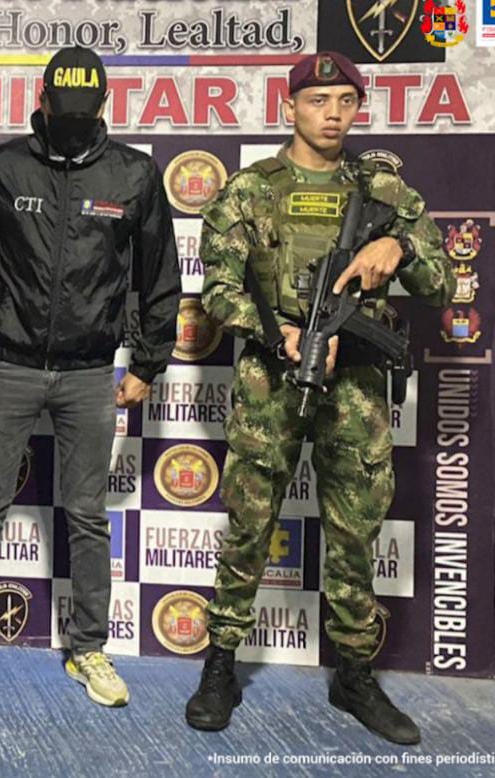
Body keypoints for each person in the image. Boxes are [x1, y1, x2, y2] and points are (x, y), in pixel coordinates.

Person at [185, 52, 455, 745]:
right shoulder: (251, 189)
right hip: (272, 382)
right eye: (316, 100)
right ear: (290, 108)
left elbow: (443, 285)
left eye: (345, 101)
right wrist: (276, 334)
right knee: (249, 525)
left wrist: (398, 249)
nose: (332, 114)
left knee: (355, 536)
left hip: (358, 388)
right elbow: (217, 290)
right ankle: (221, 663)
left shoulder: (384, 190)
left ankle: (354, 674)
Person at [0, 45, 181, 705]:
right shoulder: (3, 165)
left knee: (87, 515)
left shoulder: (134, 174)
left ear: (105, 105)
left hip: (89, 373)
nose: (72, 121)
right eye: (62, 109)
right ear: (41, 101)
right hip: (6, 365)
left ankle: (89, 647)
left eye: (85, 111)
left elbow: (160, 274)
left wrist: (150, 362)